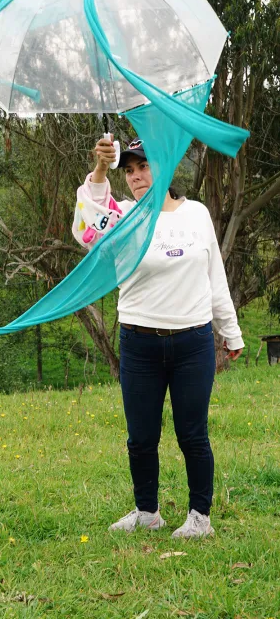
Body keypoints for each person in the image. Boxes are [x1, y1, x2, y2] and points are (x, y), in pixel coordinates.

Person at [72, 136, 244, 538]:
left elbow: (214, 276)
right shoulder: (125, 217)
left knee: (193, 433)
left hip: (193, 342)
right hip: (140, 343)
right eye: (128, 170)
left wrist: (230, 332)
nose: (135, 177)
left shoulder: (197, 214)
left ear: (164, 166)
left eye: (143, 167)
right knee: (142, 437)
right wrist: (100, 171)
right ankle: (147, 512)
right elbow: (85, 229)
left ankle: (200, 517)